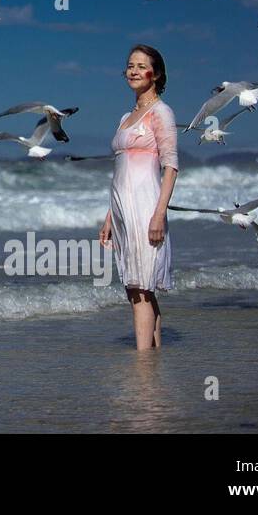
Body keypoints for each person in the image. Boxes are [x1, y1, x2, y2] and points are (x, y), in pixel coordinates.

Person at [99, 44, 178, 350]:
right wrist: (108, 218)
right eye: (129, 65)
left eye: (140, 66)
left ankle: (142, 365)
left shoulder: (161, 112)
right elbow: (119, 172)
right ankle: (154, 357)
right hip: (121, 208)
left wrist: (159, 214)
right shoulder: (125, 117)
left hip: (146, 205)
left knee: (141, 288)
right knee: (136, 287)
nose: (133, 70)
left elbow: (171, 167)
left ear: (155, 74)